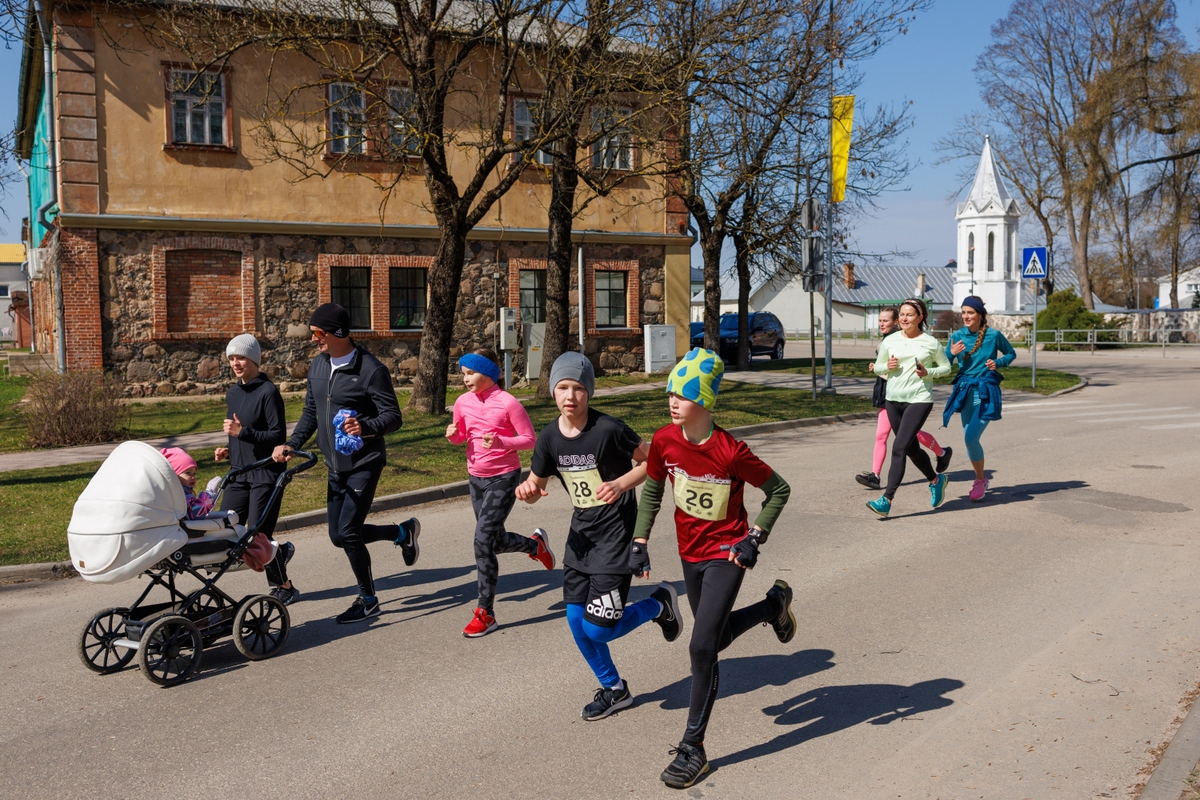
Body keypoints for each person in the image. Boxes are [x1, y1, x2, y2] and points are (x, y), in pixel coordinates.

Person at [632, 347, 795, 789]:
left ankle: (694, 748)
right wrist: (640, 540)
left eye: (681, 394)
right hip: (690, 552)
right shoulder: (664, 440)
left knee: (702, 647)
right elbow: (652, 492)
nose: (672, 401)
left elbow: (778, 491)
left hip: (727, 553)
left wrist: (754, 537)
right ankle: (773, 607)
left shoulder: (731, 450)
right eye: (670, 392)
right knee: (717, 635)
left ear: (703, 400)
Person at [515, 352, 682, 721]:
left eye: (577, 388)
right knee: (577, 623)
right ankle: (615, 689)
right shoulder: (548, 437)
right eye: (562, 387)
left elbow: (652, 461)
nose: (570, 395)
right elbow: (537, 482)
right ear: (553, 391)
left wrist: (622, 483)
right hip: (581, 540)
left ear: (589, 392)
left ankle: (657, 604)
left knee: (598, 628)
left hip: (616, 537)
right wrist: (527, 490)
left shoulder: (608, 429)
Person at [272, 303, 420, 624]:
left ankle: (368, 599)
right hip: (334, 464)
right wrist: (291, 445)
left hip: (364, 462)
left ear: (337, 333)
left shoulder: (370, 369)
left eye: (318, 333)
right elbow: (311, 413)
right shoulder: (318, 366)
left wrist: (365, 428)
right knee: (338, 537)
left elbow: (393, 417)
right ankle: (401, 533)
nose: (313, 339)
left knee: (349, 533)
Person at [446, 347, 555, 637]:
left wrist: (500, 443)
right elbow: (461, 438)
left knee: (482, 541)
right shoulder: (462, 402)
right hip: (475, 478)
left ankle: (486, 612)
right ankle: (535, 546)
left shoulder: (508, 403)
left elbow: (529, 440)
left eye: (471, 373)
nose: (465, 379)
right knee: (493, 542)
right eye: (463, 374)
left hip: (503, 478)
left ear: (490, 373)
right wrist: (453, 434)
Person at [213, 334, 298, 605]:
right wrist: (229, 447)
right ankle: (281, 552)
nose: (236, 363)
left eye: (241, 358)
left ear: (254, 359)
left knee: (257, 535)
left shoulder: (268, 392)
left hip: (264, 473)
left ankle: (284, 586)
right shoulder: (233, 392)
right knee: (228, 529)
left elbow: (276, 436)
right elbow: (240, 432)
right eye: (231, 358)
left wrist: (242, 432)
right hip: (239, 473)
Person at [867, 298, 952, 518]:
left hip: (920, 399)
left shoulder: (930, 342)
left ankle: (886, 499)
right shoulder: (890, 340)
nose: (904, 318)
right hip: (893, 399)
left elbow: (946, 368)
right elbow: (877, 367)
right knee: (911, 448)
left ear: (920, 317)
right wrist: (886, 366)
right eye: (902, 314)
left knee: (899, 447)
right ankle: (936, 480)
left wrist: (929, 373)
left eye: (909, 315)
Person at [943, 296, 1016, 502]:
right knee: (971, 441)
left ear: (980, 315)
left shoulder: (993, 335)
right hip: (964, 391)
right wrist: (951, 353)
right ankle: (980, 478)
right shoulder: (957, 336)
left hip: (985, 391)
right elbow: (943, 364)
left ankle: (979, 480)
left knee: (970, 438)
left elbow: (1010, 353)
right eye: (964, 312)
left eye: (970, 312)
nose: (966, 316)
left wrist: (999, 362)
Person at [161, 447, 219, 520]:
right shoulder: (182, 496)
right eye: (188, 473)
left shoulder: (172, 492)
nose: (193, 477)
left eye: (194, 473)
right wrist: (210, 494)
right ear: (174, 475)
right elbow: (197, 514)